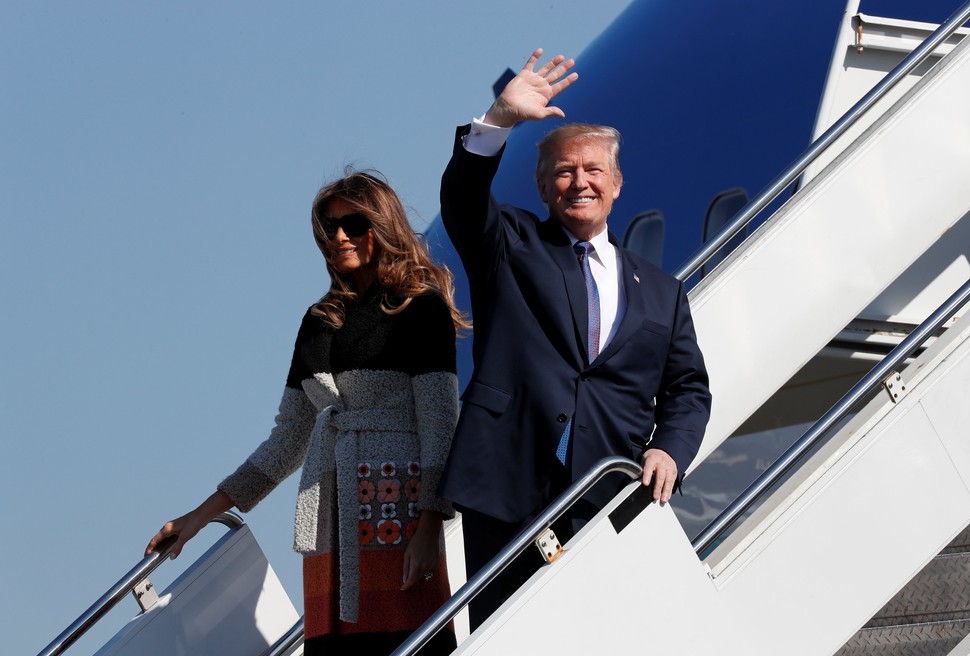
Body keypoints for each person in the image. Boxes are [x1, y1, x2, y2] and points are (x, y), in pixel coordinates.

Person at [437, 49, 712, 630]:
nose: (579, 181)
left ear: (616, 185)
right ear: (542, 188)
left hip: (605, 492)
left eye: (592, 170)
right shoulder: (511, 245)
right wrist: (499, 120)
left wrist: (671, 449)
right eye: (564, 171)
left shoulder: (662, 291)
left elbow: (688, 388)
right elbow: (464, 201)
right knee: (512, 635)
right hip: (507, 484)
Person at [145, 171, 467, 655]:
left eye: (353, 223)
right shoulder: (318, 321)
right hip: (329, 522)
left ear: (382, 224)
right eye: (328, 225)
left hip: (396, 516)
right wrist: (197, 516)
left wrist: (428, 528)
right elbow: (286, 440)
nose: (339, 236)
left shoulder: (420, 309)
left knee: (408, 641)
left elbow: (441, 427)